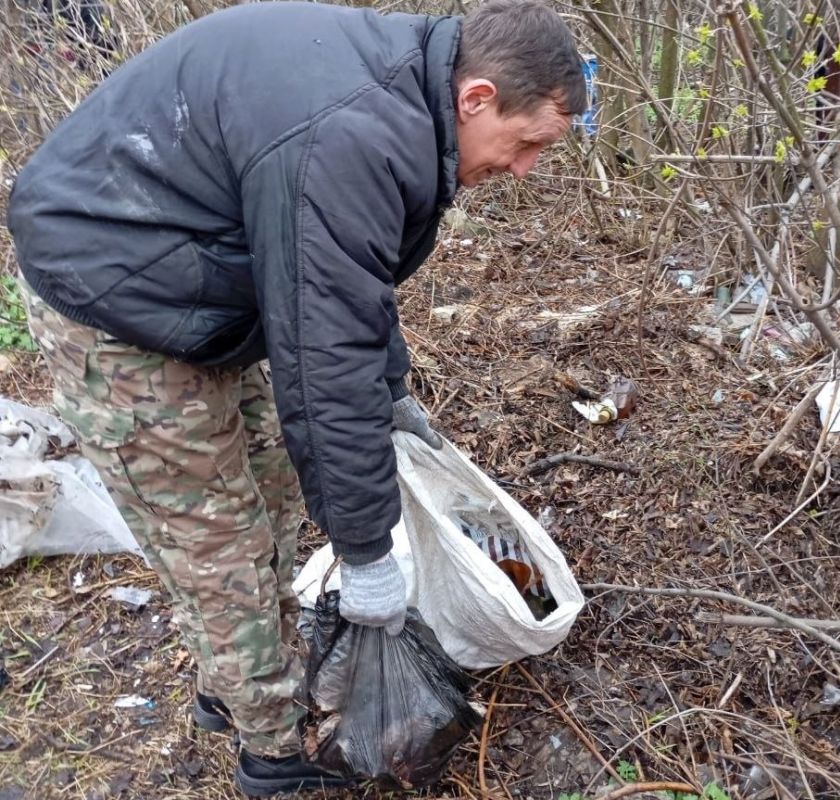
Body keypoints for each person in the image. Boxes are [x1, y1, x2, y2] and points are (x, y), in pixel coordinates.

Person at [7, 0, 585, 794]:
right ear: (476, 97)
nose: (521, 170)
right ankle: (272, 756)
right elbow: (321, 355)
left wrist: (390, 394)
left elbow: (349, 285)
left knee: (273, 499)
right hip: (113, 289)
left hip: (203, 269)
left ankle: (235, 679)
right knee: (217, 542)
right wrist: (366, 552)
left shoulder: (402, 103)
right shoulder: (349, 132)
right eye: (525, 147)